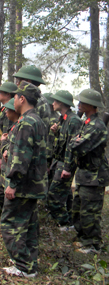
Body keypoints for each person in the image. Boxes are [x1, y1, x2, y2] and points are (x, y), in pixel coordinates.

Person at [1, 81, 47, 278]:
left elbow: (22, 158)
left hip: (23, 185)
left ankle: (22, 266)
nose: (12, 101)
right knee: (29, 225)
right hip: (33, 184)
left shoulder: (26, 123)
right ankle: (29, 264)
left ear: (22, 99)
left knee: (10, 223)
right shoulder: (37, 120)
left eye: (15, 97)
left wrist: (13, 184)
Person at [62, 89, 109, 254]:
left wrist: (75, 140)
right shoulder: (86, 122)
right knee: (79, 209)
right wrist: (75, 140)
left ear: (91, 104)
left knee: (90, 211)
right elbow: (75, 142)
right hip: (85, 175)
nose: (79, 104)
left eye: (82, 101)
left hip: (94, 176)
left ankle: (92, 244)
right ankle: (83, 238)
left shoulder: (97, 126)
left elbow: (77, 146)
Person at [47, 90, 81, 230]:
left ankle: (64, 222)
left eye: (55, 101)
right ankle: (70, 221)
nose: (53, 103)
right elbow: (61, 143)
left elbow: (72, 147)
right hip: (58, 161)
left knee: (54, 194)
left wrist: (67, 168)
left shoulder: (73, 121)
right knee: (66, 194)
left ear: (61, 102)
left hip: (65, 163)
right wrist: (56, 132)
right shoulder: (63, 119)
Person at [0, 81, 17, 208]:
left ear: (8, 94)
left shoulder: (11, 110)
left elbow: (6, 135)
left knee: (5, 184)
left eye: (1, 92)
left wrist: (1, 155)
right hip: (2, 151)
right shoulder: (4, 110)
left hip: (6, 153)